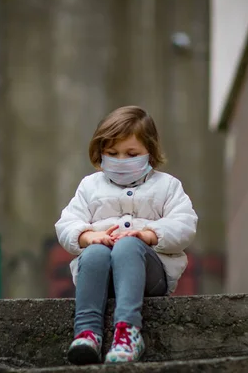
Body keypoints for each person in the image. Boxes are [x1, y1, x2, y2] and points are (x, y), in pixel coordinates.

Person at [55, 105, 198, 365]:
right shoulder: (90, 186)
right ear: (101, 153)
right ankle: (86, 334)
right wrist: (87, 237)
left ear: (150, 153)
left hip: (150, 275)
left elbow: (185, 224)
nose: (121, 160)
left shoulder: (167, 186)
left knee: (129, 246)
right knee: (97, 251)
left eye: (131, 153)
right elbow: (66, 223)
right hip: (101, 275)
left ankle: (128, 332)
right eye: (112, 153)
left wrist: (150, 235)